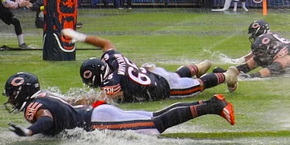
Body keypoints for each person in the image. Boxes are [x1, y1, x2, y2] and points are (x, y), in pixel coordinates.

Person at [3, 72, 234, 137]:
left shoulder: (34, 107)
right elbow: (69, 103)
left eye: (13, 95)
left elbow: (47, 119)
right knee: (157, 115)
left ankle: (213, 106)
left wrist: (29, 131)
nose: (12, 100)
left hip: (99, 121)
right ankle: (211, 104)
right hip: (99, 113)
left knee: (157, 123)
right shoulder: (44, 94)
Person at [63, 28, 238, 103]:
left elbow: (98, 99)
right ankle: (198, 67)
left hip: (163, 87)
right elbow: (105, 43)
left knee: (198, 86)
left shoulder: (112, 82)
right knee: (176, 76)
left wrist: (69, 101)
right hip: (154, 73)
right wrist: (80, 37)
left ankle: (228, 75)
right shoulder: (112, 59)